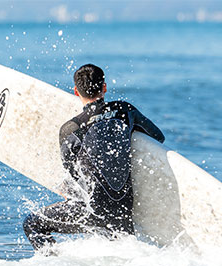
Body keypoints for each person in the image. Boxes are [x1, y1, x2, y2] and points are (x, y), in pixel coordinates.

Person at [23, 64, 165, 252]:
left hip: (91, 212)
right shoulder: (125, 110)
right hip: (122, 212)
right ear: (104, 87)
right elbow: (158, 138)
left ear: (75, 91)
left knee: (32, 224)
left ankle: (56, 265)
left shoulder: (70, 129)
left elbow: (73, 178)